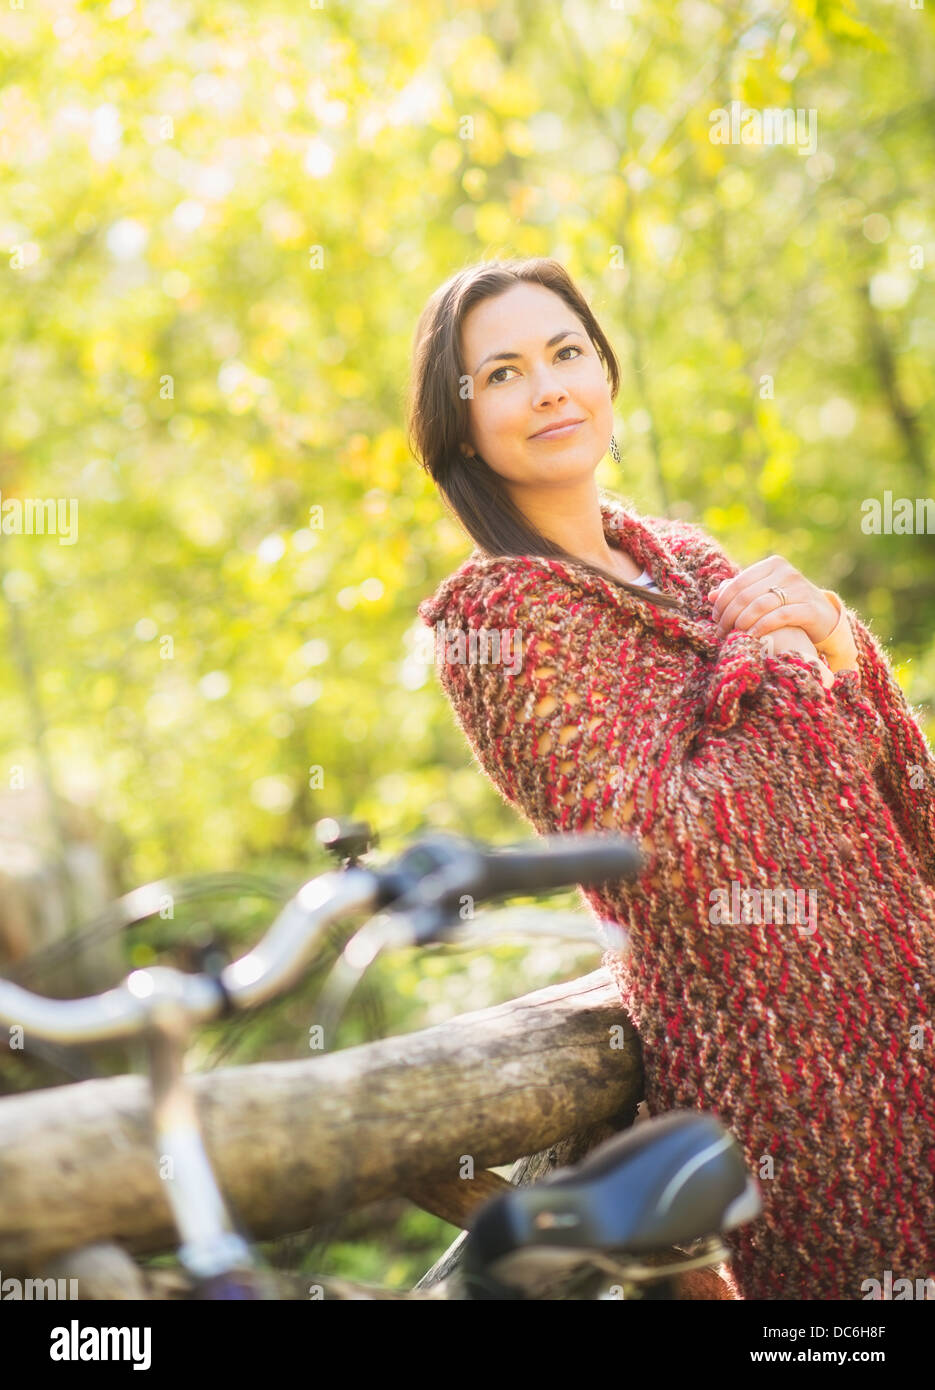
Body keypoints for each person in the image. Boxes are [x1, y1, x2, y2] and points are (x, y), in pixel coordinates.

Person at [408, 256, 935, 1301]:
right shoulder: (498, 621)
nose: (550, 385)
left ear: (604, 372)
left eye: (566, 353)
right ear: (462, 426)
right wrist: (785, 677)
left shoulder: (687, 560)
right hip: (785, 1074)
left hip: (906, 1008)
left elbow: (884, 768)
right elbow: (662, 840)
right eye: (503, 373)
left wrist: (834, 637)